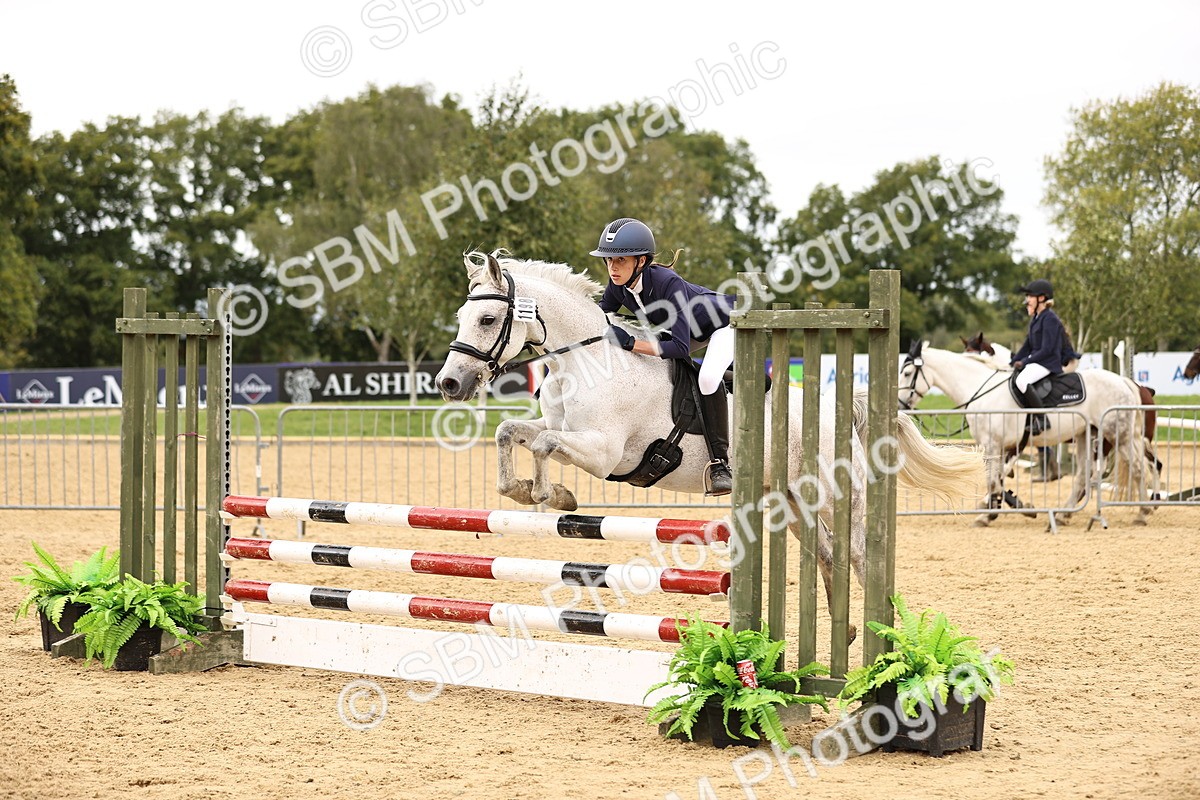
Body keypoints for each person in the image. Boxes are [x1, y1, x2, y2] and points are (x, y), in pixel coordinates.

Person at [591, 217, 737, 496]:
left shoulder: (668, 283)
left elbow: (680, 348)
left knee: (706, 378)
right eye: (609, 261)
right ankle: (732, 378)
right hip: (691, 330)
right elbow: (599, 319)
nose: (613, 267)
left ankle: (720, 465)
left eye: (621, 261)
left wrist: (633, 343)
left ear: (642, 262)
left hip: (725, 324)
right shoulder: (617, 287)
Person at [1010, 278, 1065, 436]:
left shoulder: (1050, 319)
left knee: (1022, 380)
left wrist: (1025, 362)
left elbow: (1047, 349)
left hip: (1048, 363)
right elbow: (1027, 346)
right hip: (1038, 361)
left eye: (1029, 296)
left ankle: (1042, 419)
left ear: (1041, 298)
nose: (1027, 300)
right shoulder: (1036, 319)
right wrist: (1012, 362)